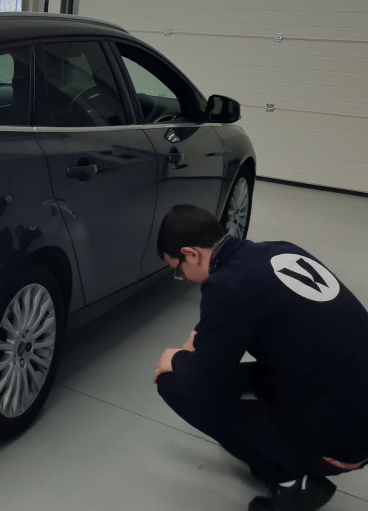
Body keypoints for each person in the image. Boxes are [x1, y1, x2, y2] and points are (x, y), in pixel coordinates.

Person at [153, 205, 368, 511]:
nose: (184, 278)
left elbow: (204, 378)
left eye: (178, 269)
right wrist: (199, 341)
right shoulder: (280, 251)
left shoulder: (225, 286)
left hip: (342, 444)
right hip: (356, 414)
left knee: (176, 383)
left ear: (192, 254)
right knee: (242, 372)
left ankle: (290, 482)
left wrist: (175, 360)